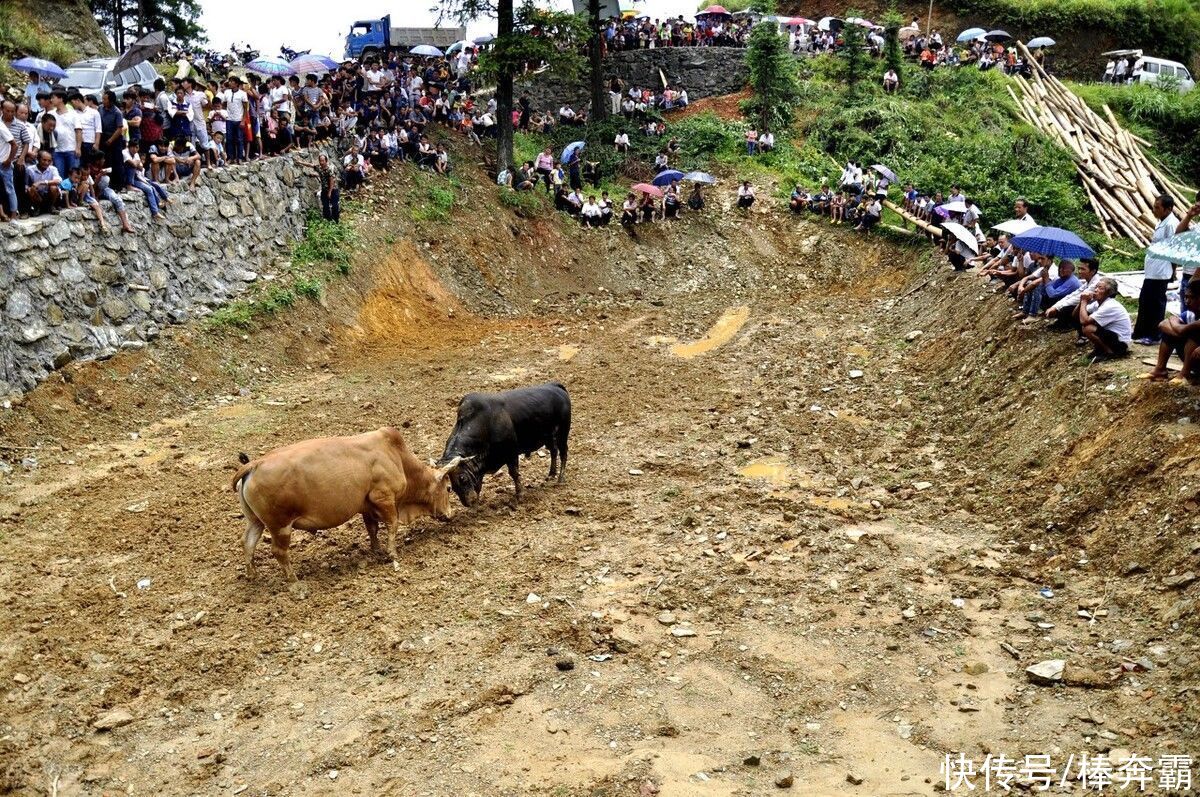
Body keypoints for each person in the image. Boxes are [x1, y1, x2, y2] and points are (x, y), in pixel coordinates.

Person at [1133, 195, 1179, 344]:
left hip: (1160, 271)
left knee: (1155, 303)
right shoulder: (1161, 222)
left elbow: (1173, 249)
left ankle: (1155, 335)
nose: (1154, 210)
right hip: (1152, 270)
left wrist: (1173, 271)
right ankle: (1141, 331)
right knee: (1145, 300)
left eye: (1157, 207)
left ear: (1168, 209)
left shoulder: (1171, 224)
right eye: (1154, 206)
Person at [1148, 280, 1200, 382]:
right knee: (1170, 333)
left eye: (1192, 297)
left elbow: (1182, 329)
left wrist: (1173, 322)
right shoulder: (1189, 315)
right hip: (1193, 359)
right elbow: (1162, 324)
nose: (1187, 301)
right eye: (1186, 297)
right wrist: (1176, 325)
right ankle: (1160, 369)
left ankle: (1185, 374)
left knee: (1194, 334)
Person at [1080, 277, 1132, 360]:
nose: (1096, 290)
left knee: (1088, 328)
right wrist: (1082, 299)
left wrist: (1083, 301)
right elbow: (1076, 314)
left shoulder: (1109, 305)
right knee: (1087, 325)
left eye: (1100, 288)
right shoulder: (1098, 303)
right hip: (1112, 336)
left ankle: (1110, 353)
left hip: (1120, 342)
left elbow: (1084, 321)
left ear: (1109, 292)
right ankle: (1101, 350)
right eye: (1096, 287)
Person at [24, 149, 61, 214]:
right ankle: (37, 207)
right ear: (38, 159)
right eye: (44, 160)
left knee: (54, 188)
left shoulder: (53, 169)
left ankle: (51, 206)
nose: (46, 163)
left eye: (49, 161)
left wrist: (41, 182)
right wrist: (31, 189)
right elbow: (26, 184)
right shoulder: (29, 169)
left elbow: (58, 181)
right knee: (30, 189)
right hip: (37, 195)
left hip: (49, 195)